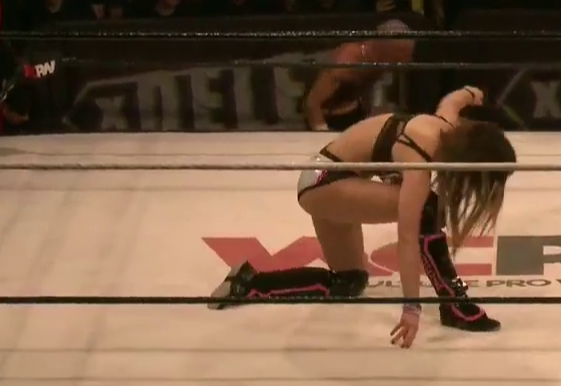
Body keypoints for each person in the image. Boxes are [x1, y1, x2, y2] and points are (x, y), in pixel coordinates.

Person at [210, 86, 515, 349]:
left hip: (332, 180)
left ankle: (248, 283)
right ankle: (454, 306)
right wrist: (411, 308)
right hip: (324, 182)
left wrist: (474, 93)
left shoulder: (446, 126)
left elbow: (454, 99)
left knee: (348, 282)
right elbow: (407, 237)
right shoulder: (421, 155)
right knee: (427, 208)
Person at [303, 20, 416, 131]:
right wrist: (323, 135)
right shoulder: (346, 63)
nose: (405, 62)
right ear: (385, 49)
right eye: (400, 56)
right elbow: (312, 104)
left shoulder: (379, 62)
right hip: (329, 120)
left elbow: (372, 100)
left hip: (355, 116)